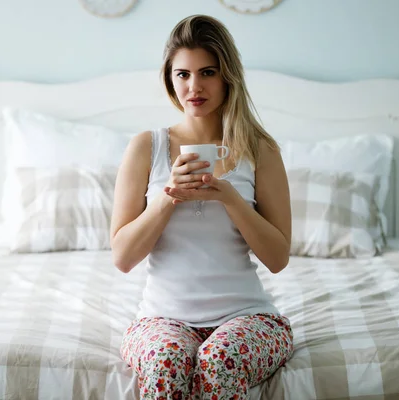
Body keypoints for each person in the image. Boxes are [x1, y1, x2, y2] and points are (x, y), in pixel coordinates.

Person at [110, 14, 293, 399]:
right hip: (160, 319)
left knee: (218, 358)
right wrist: (168, 196)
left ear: (228, 76)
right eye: (183, 74)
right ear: (170, 79)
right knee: (167, 359)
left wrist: (229, 197)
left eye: (207, 72)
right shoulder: (147, 147)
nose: (194, 86)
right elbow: (123, 257)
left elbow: (277, 258)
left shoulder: (261, 150)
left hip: (248, 318)